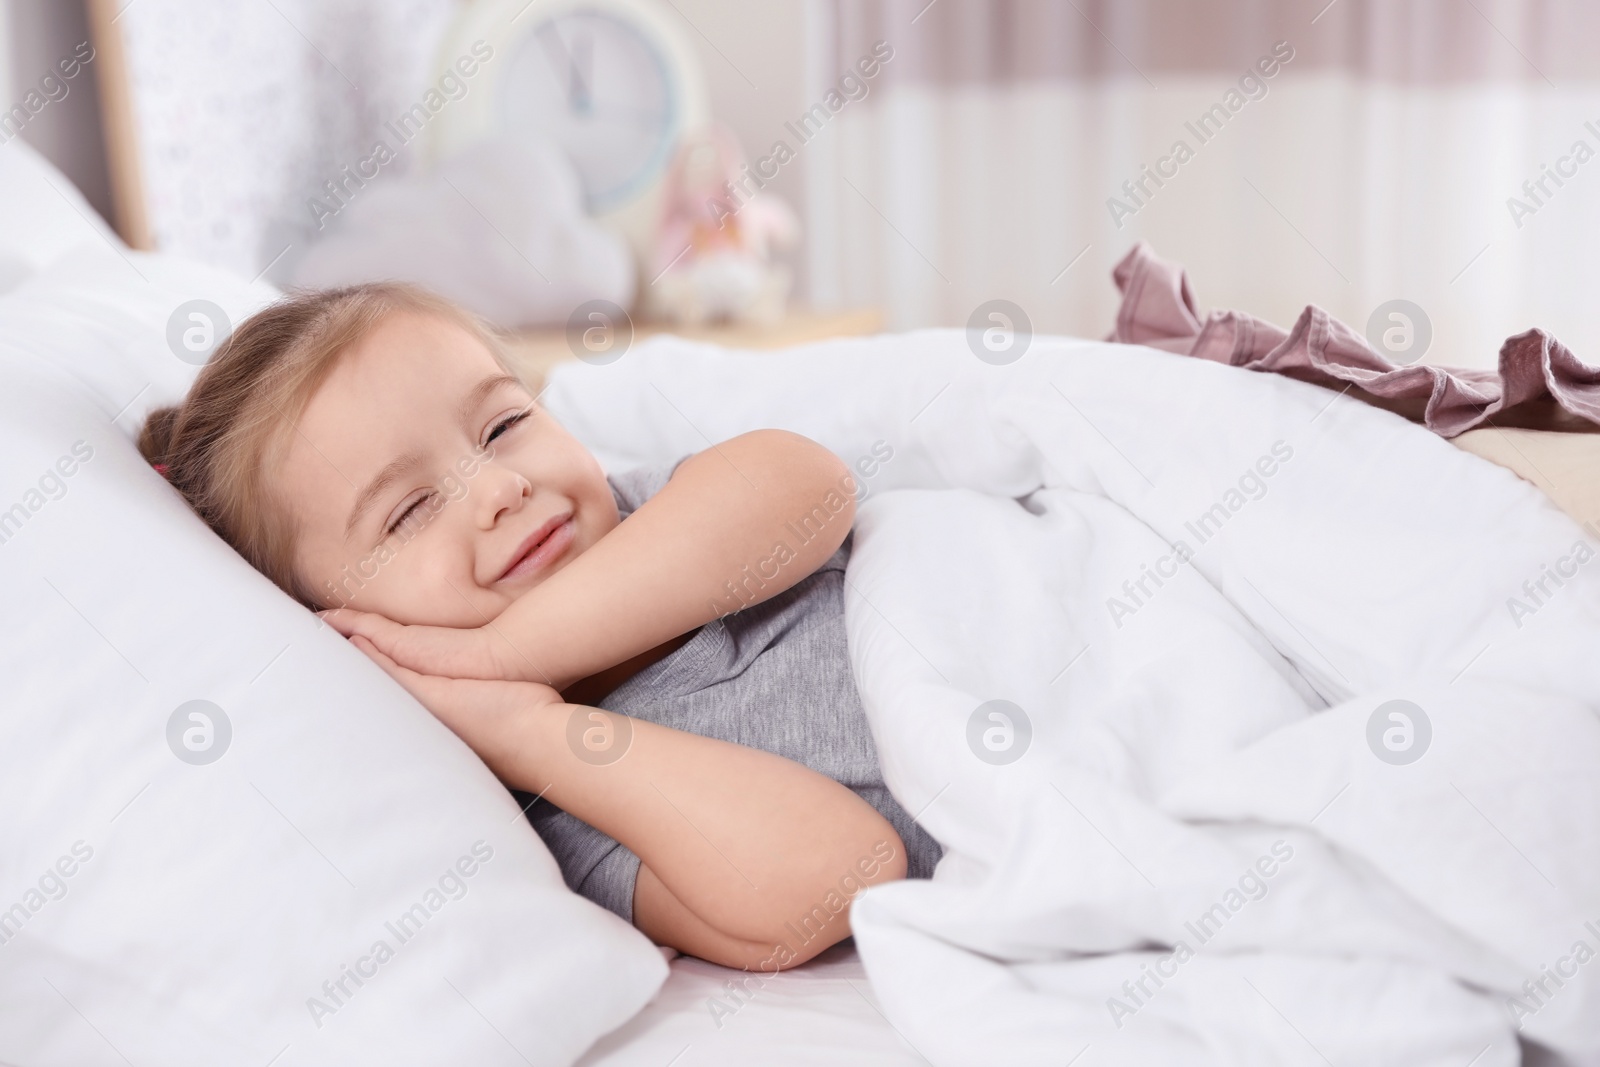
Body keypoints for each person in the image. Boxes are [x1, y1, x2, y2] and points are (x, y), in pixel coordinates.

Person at [139, 283, 941, 971]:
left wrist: (505, 650)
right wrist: (531, 730)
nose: (498, 486)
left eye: (502, 425)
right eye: (412, 508)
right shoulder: (562, 803)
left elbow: (810, 482)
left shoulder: (648, 519)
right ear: (347, 631)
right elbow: (846, 873)